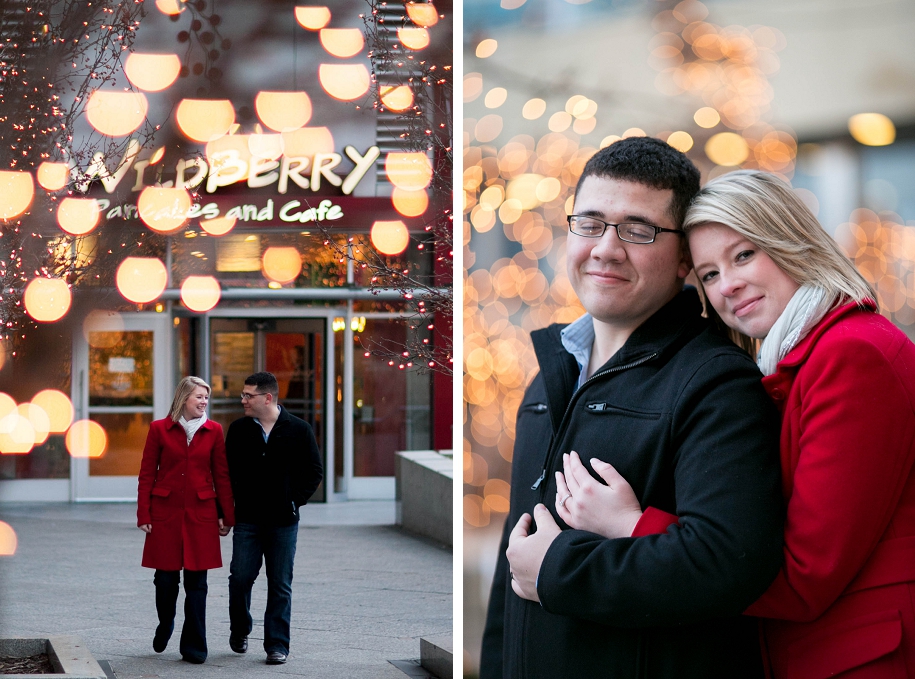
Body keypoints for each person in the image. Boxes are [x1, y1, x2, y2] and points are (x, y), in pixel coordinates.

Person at [560, 169, 915, 678]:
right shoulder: (797, 363)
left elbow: (803, 575)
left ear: (790, 241)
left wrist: (629, 525)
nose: (728, 285)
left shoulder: (852, 356)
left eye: (743, 255)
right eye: (708, 274)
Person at [479, 137, 785, 679]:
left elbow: (726, 565)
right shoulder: (549, 379)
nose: (606, 248)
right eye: (590, 223)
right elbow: (514, 568)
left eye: (638, 231)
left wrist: (558, 570)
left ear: (684, 260)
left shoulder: (717, 384)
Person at [225, 371, 323, 665]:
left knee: (280, 583)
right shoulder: (239, 430)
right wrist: (227, 511)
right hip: (247, 520)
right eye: (243, 395)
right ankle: (240, 629)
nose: (243, 400)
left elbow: (314, 471)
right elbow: (227, 473)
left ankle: (277, 645)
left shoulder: (299, 429)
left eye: (248, 395)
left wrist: (293, 500)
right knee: (240, 578)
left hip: (283, 522)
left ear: (267, 398)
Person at [136, 376, 234, 664]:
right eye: (198, 397)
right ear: (184, 399)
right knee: (165, 580)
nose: (203, 402)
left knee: (197, 584)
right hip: (165, 513)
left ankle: (194, 645)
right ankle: (166, 623)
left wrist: (227, 515)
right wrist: (144, 513)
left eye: (206, 397)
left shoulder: (214, 430)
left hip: (201, 514)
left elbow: (222, 476)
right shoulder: (159, 430)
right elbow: (146, 474)